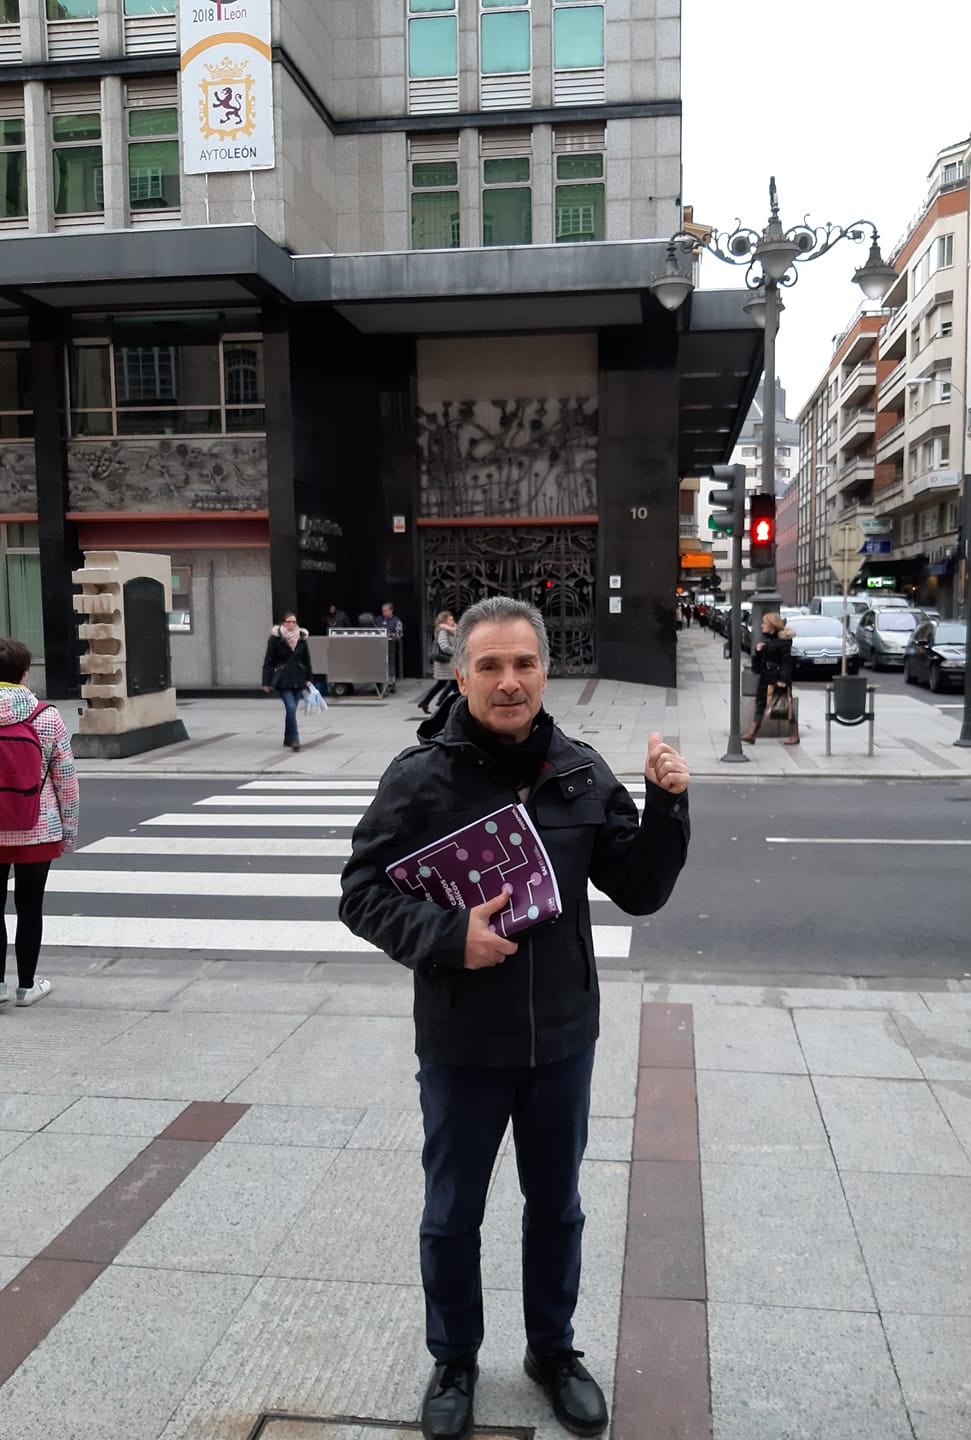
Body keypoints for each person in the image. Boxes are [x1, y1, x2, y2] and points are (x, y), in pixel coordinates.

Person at [339, 596, 690, 1440]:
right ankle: (454, 1358)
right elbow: (360, 894)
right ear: (461, 674)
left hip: (562, 1037)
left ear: (545, 671)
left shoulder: (579, 771)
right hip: (462, 1040)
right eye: (489, 666)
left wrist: (667, 807)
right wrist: (447, 936)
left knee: (556, 1206)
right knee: (453, 1210)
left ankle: (552, 1351)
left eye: (523, 664)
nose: (508, 682)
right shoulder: (418, 779)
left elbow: (637, 889)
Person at [0, 637, 79, 1009]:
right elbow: (66, 779)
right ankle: (26, 986)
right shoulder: (45, 717)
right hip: (38, 827)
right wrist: (70, 832)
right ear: (25, 674)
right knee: (30, 907)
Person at [743, 611, 799, 746]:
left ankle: (794, 734)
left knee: (785, 705)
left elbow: (786, 662)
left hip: (777, 678)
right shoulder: (766, 640)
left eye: (765, 623)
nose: (762, 626)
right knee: (760, 704)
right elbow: (757, 666)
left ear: (772, 625)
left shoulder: (783, 642)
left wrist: (783, 680)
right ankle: (751, 734)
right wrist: (758, 652)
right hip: (765, 678)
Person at [261, 611, 314, 753]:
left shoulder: (302, 639)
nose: (291, 624)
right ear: (283, 622)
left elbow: (307, 660)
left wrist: (309, 679)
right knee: (290, 707)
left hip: (298, 678)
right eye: (288, 622)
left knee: (292, 710)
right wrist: (266, 682)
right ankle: (295, 739)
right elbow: (268, 662)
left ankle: (287, 737)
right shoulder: (275, 639)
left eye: (293, 622)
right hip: (282, 680)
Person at [417, 611, 458, 715]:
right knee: (454, 684)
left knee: (442, 684)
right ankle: (456, 705)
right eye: (450, 619)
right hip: (446, 663)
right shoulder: (443, 631)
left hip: (449, 664)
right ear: (444, 621)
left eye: (452, 619)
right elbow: (444, 646)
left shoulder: (451, 630)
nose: (452, 621)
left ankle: (426, 702)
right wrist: (456, 651)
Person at [377, 602, 404, 692]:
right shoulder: (378, 619)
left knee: (390, 663)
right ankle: (380, 682)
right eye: (383, 611)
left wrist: (388, 635)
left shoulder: (396, 621)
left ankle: (391, 683)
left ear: (391, 611)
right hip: (378, 645)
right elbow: (375, 630)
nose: (384, 613)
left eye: (385, 611)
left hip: (390, 644)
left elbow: (399, 634)